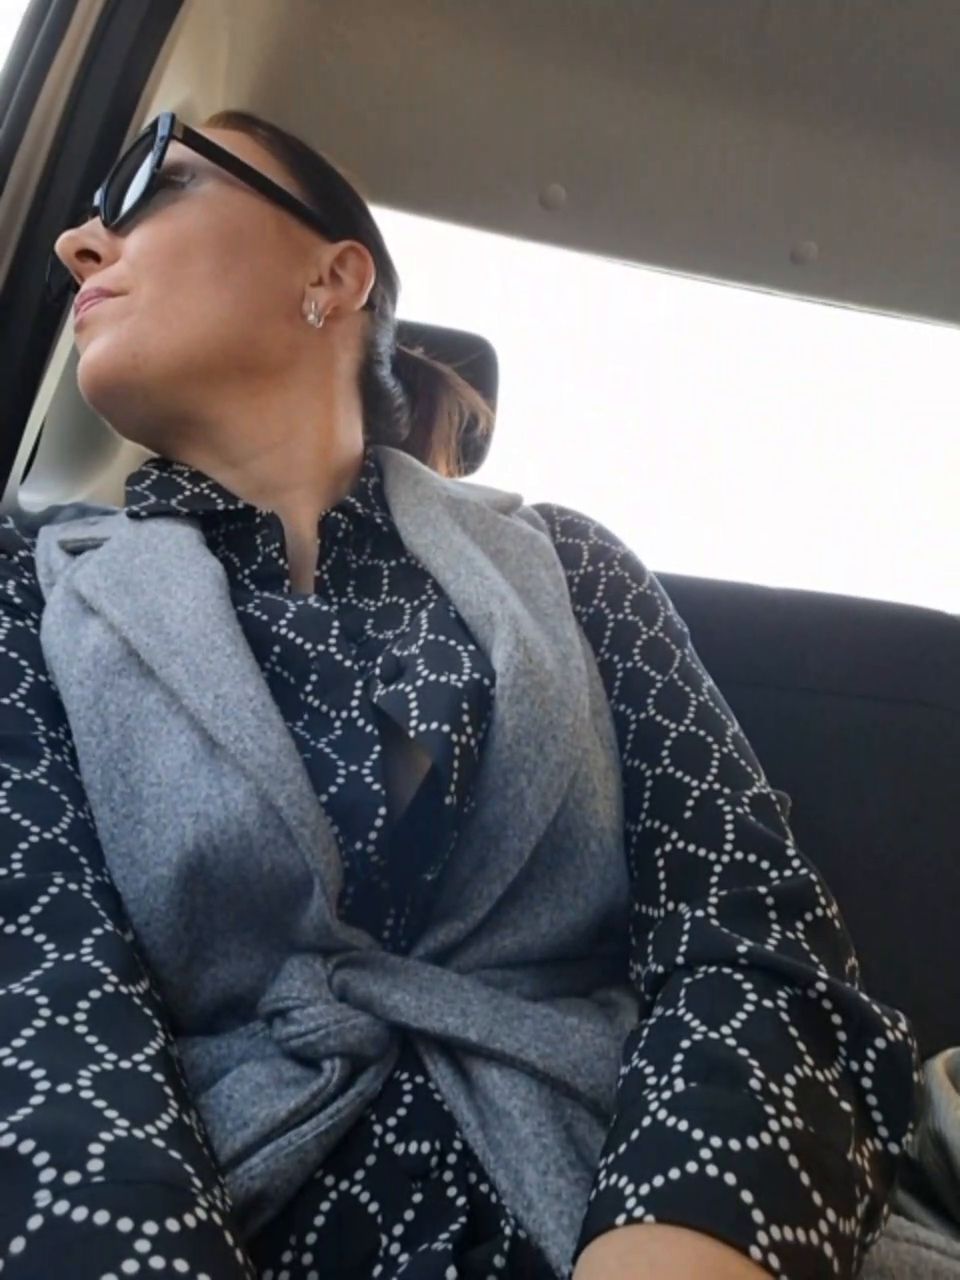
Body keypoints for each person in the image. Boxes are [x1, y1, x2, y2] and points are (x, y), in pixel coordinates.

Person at [0, 108, 918, 1280]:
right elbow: (39, 995)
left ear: (334, 276)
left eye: (153, 181)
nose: (79, 240)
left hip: (611, 1187)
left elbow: (749, 935)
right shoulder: (28, 593)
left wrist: (687, 1233)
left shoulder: (570, 563)